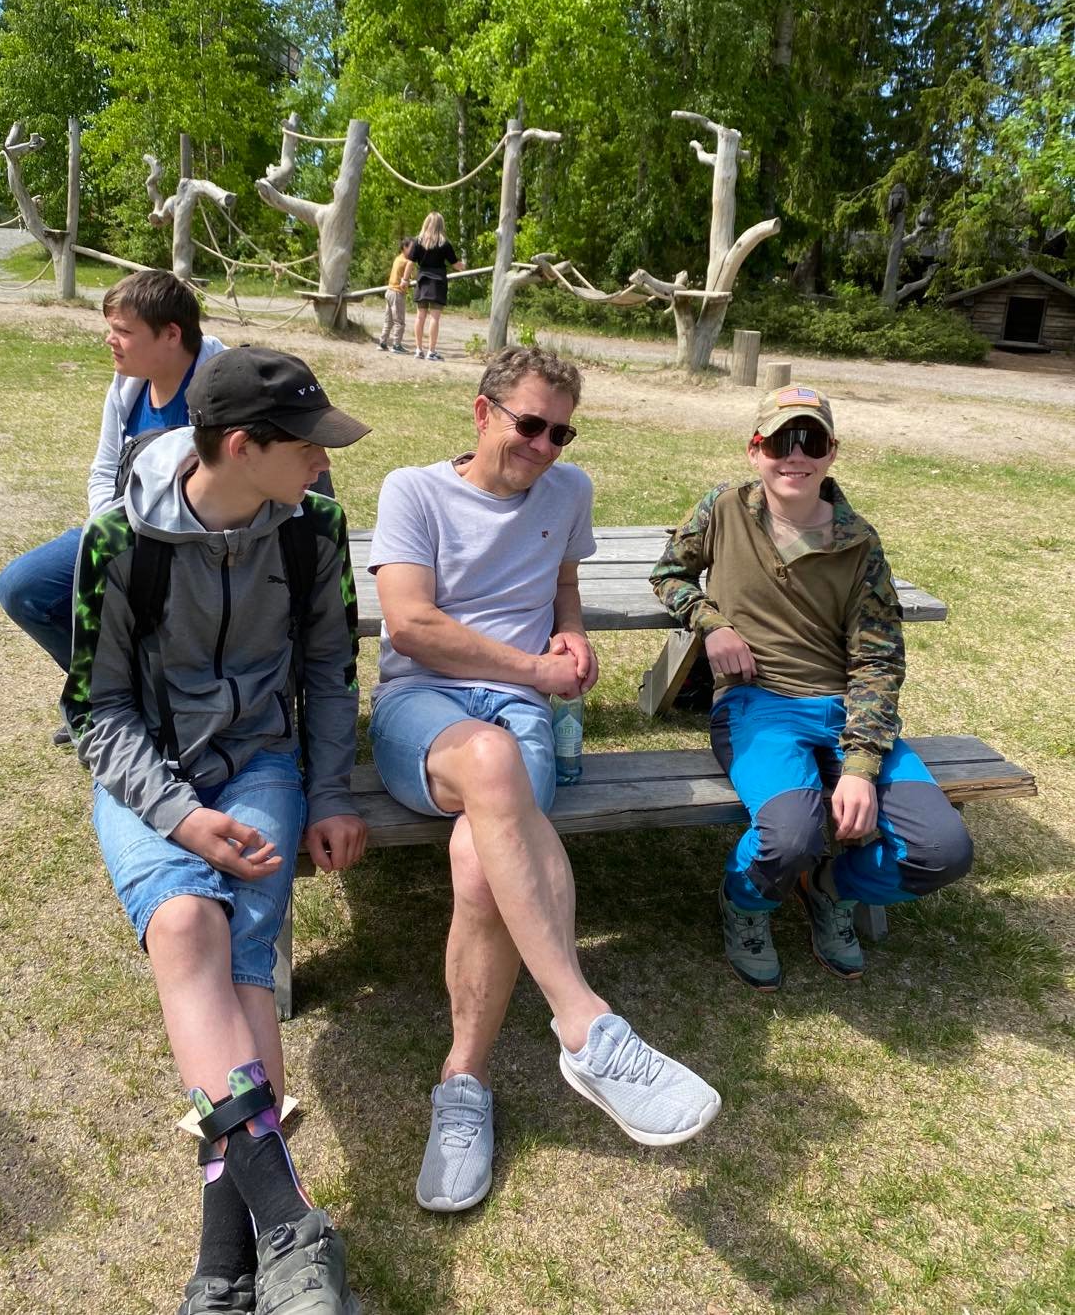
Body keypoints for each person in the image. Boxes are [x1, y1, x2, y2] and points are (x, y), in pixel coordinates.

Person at [368, 345, 721, 1216]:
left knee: (480, 866)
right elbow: (408, 627)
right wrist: (534, 667)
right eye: (529, 424)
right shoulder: (413, 491)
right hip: (423, 706)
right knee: (489, 762)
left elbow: (562, 581)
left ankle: (462, 1085)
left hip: (521, 704)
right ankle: (585, 1024)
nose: (544, 447)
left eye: (561, 433)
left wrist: (571, 632)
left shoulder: (568, 491)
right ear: (480, 411)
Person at [61, 346, 371, 1315]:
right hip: (150, 775)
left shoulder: (314, 527)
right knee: (185, 923)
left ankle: (221, 1262)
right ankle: (289, 1221)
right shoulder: (119, 539)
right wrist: (182, 818)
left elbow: (329, 671)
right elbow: (96, 711)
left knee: (242, 957)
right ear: (240, 447)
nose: (323, 460)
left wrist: (330, 792)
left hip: (261, 762)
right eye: (307, 444)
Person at [650, 385, 974, 991]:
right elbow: (669, 573)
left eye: (811, 441)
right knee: (789, 836)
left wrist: (860, 766)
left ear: (831, 453)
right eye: (779, 442)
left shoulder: (859, 543)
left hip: (847, 712)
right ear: (755, 451)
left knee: (943, 850)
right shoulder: (723, 508)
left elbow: (878, 660)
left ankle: (832, 887)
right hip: (758, 705)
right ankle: (746, 902)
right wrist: (710, 621)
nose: (794, 455)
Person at [0, 270, 225, 674]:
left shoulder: (224, 390)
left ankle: (150, 691)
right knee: (23, 587)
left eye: (123, 331)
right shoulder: (127, 385)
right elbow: (104, 470)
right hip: (124, 528)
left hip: (193, 549)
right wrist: (109, 535)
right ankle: (109, 689)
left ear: (171, 334)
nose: (109, 339)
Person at [408, 211, 463, 362]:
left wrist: (405, 280)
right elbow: (455, 264)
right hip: (438, 282)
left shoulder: (418, 241)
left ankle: (418, 349)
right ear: (441, 225)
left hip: (422, 281)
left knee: (420, 316)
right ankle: (431, 351)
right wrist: (463, 266)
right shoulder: (444, 243)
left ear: (426, 223)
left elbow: (410, 263)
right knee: (434, 318)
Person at [378, 238, 415, 353]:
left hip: (389, 291)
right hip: (397, 293)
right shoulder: (408, 262)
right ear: (405, 247)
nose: (414, 250)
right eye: (412, 248)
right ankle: (396, 345)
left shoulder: (398, 258)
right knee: (399, 321)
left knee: (388, 320)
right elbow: (406, 281)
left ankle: (383, 343)